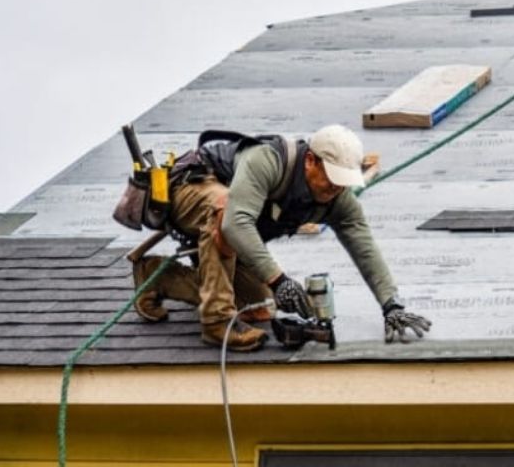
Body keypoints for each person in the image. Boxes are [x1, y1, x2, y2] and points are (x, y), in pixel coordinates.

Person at [132, 124, 431, 351]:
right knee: (225, 209)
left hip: (225, 239)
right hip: (191, 190)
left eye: (342, 183)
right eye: (331, 178)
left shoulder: (337, 197)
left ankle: (157, 277)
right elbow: (236, 223)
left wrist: (391, 305)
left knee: (258, 306)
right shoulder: (267, 161)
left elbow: (364, 246)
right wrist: (279, 280)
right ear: (311, 161)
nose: (335, 189)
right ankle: (216, 322)